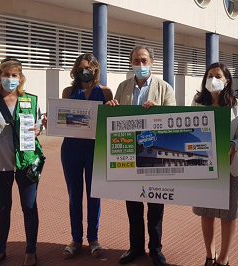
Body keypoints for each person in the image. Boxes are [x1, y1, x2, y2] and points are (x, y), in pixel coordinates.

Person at [106, 45, 176, 266]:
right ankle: (135, 248)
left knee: (155, 206)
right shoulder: (123, 86)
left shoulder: (164, 88)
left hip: (154, 155)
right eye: (136, 61)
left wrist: (159, 111)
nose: (140, 64)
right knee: (133, 205)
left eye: (144, 60)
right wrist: (112, 107)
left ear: (152, 62)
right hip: (129, 154)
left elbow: (173, 118)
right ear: (131, 63)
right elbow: (115, 118)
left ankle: (155, 250)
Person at [0, 58, 43, 266]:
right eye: (6, 74)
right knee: (2, 208)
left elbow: (38, 125)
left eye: (14, 75)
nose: (10, 79)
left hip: (27, 163)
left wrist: (40, 129)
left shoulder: (30, 101)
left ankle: (31, 251)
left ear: (20, 78)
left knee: (29, 207)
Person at [191, 62, 238, 266]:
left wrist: (233, 145)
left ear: (227, 81)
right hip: (202, 167)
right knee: (206, 213)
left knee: (228, 214)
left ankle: (223, 259)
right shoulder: (197, 103)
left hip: (229, 169)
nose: (213, 80)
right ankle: (209, 255)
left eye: (218, 76)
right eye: (209, 76)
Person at [59, 53, 113, 259]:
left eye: (88, 68)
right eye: (81, 68)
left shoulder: (106, 92)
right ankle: (75, 238)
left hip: (95, 149)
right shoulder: (68, 91)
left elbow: (110, 121)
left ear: (96, 70)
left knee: (94, 194)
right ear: (75, 70)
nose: (85, 72)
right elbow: (62, 119)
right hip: (71, 149)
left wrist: (112, 110)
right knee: (74, 195)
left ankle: (93, 238)